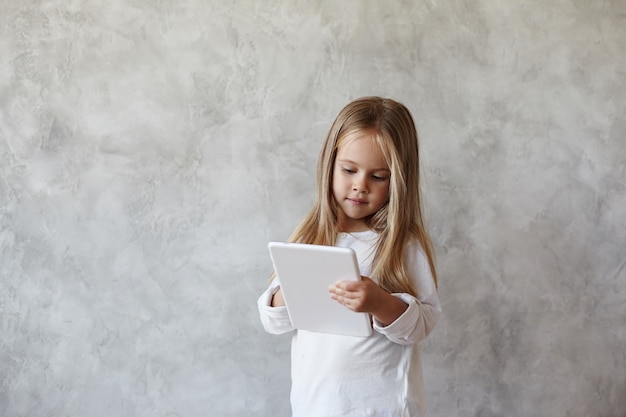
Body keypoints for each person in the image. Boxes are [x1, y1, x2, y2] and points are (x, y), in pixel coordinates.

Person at [258, 96, 441, 417]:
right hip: (316, 406)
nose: (360, 186)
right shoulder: (310, 238)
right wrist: (293, 288)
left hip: (383, 408)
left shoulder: (401, 244)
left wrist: (380, 303)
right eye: (349, 170)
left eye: (378, 176)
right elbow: (272, 322)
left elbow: (422, 325)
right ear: (330, 165)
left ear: (397, 180)